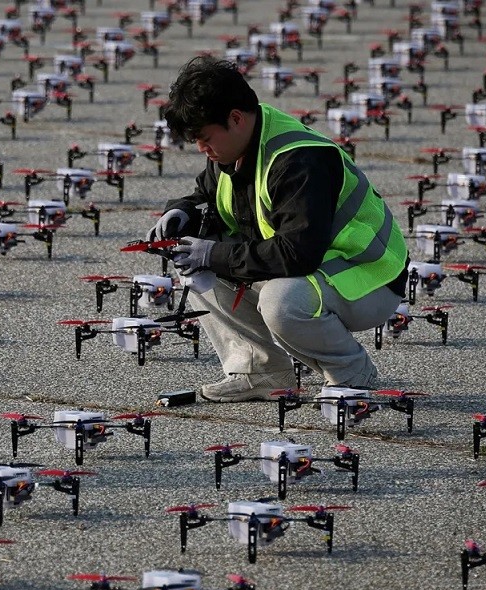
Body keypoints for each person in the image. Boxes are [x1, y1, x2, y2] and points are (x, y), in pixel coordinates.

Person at [151, 56, 409, 402]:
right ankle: (261, 370)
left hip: (368, 278)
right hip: (320, 266)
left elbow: (296, 254)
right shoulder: (235, 147)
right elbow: (207, 198)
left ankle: (350, 371)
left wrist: (212, 253)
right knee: (195, 260)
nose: (201, 148)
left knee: (280, 301)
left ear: (236, 119)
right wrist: (182, 213)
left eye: (204, 137)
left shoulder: (299, 160)